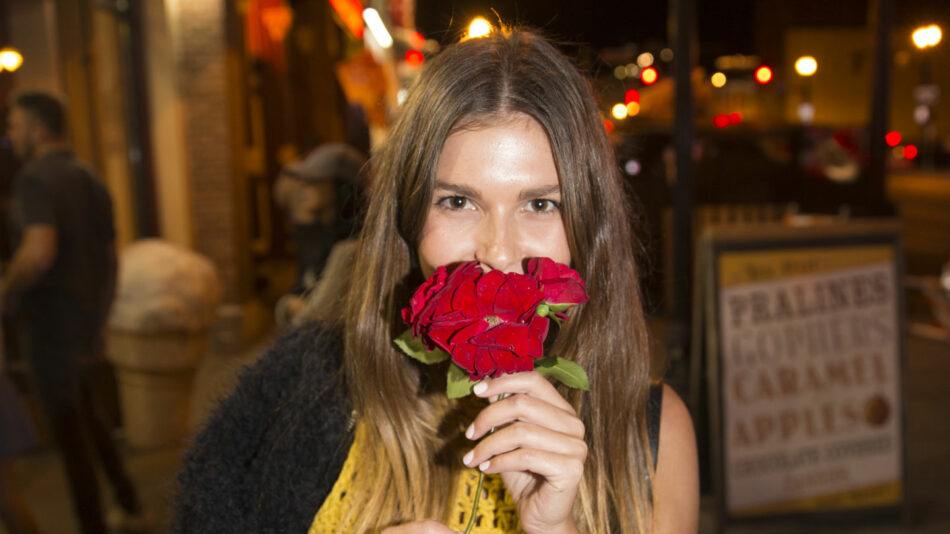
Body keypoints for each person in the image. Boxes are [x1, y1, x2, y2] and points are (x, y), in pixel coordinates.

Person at [174, 28, 698, 533]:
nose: (497, 252)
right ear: (407, 219)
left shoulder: (651, 433)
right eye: (458, 201)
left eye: (541, 204)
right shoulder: (298, 390)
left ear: (591, 224)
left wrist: (554, 528)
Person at [2, 91, 144, 534]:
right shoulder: (90, 176)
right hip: (85, 326)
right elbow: (111, 258)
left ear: (38, 130)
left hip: (48, 329)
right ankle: (131, 504)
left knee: (71, 438)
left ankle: (92, 525)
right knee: (92, 424)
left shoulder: (34, 180)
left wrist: (5, 291)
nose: (10, 134)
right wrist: (100, 320)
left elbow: (39, 251)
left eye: (15, 126)